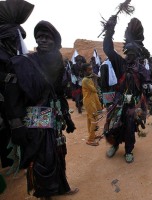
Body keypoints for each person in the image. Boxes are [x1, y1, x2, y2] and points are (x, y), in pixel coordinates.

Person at [5, 20, 78, 198]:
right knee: (44, 158)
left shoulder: (58, 64)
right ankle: (46, 194)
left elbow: (60, 94)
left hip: (54, 117)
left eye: (47, 37)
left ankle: (61, 187)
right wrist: (16, 125)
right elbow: (12, 96)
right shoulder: (24, 63)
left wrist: (67, 117)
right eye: (39, 37)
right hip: (36, 117)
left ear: (55, 40)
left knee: (58, 153)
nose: (42, 40)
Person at [102, 15, 150, 163]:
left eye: (132, 53)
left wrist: (146, 88)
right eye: (127, 53)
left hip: (133, 104)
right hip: (117, 100)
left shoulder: (141, 69)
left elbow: (147, 85)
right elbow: (108, 49)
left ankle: (128, 150)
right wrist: (109, 31)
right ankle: (115, 145)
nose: (129, 55)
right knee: (113, 125)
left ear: (137, 54)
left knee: (129, 127)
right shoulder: (119, 63)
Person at [0, 0, 34, 171]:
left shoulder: (15, 54)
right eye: (14, 38)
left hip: (20, 106)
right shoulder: (3, 57)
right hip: (7, 107)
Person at [82, 63, 103, 146]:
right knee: (94, 120)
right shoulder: (86, 80)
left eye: (91, 69)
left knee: (90, 119)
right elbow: (95, 89)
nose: (91, 71)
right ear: (84, 71)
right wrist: (95, 79)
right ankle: (90, 139)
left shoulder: (89, 78)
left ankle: (92, 135)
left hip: (92, 101)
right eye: (89, 69)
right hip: (89, 102)